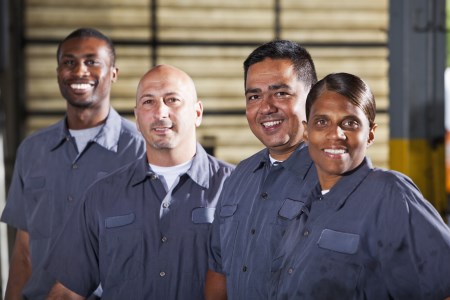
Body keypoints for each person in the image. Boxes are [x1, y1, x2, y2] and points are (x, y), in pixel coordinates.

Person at [44, 64, 235, 299]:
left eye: (172, 100)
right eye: (148, 102)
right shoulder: (102, 196)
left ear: (197, 113)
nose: (160, 112)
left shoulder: (237, 188)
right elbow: (68, 290)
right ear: (136, 117)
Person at [270, 72, 450, 299]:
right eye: (322, 122)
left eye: (350, 123)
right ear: (307, 132)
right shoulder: (303, 206)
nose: (335, 134)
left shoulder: (390, 195)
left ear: (371, 134)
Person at [0, 28, 145, 299]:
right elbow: (23, 251)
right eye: (69, 62)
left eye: (92, 62)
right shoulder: (32, 150)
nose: (79, 71)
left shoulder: (141, 151)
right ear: (58, 72)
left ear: (113, 73)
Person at [205, 40, 318, 299]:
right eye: (254, 96)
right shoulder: (239, 177)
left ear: (313, 98)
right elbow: (219, 267)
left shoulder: (334, 177)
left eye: (280, 93)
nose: (266, 108)